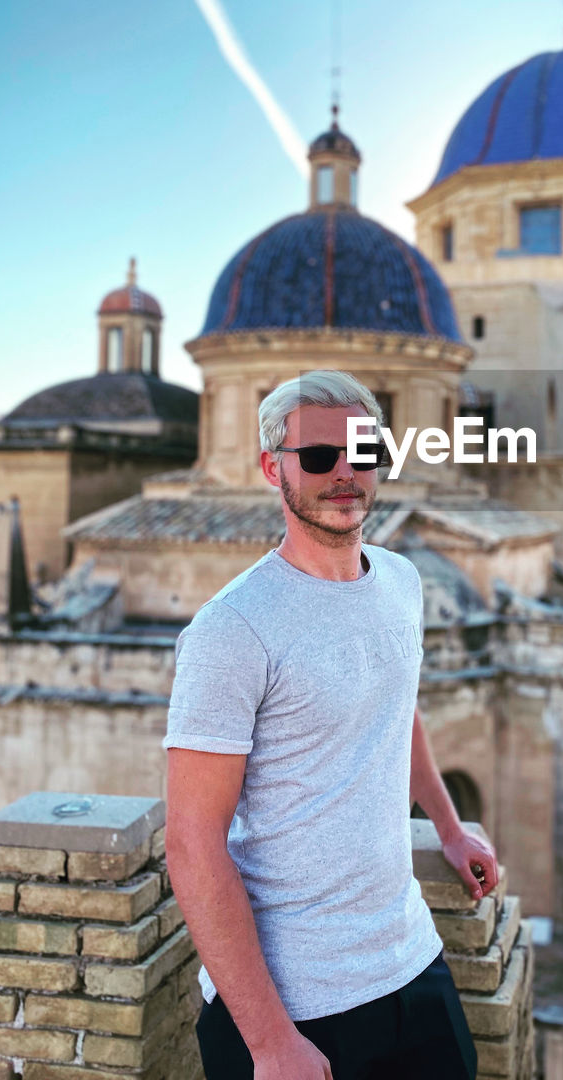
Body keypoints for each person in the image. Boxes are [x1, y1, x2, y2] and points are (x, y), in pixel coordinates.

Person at [164, 369, 498, 1080]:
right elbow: (193, 845)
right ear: (271, 468)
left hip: (412, 961)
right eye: (318, 458)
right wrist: (269, 1043)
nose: (345, 473)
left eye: (364, 451)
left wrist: (446, 823)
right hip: (293, 1007)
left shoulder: (403, 583)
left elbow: (395, 707)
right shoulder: (233, 629)